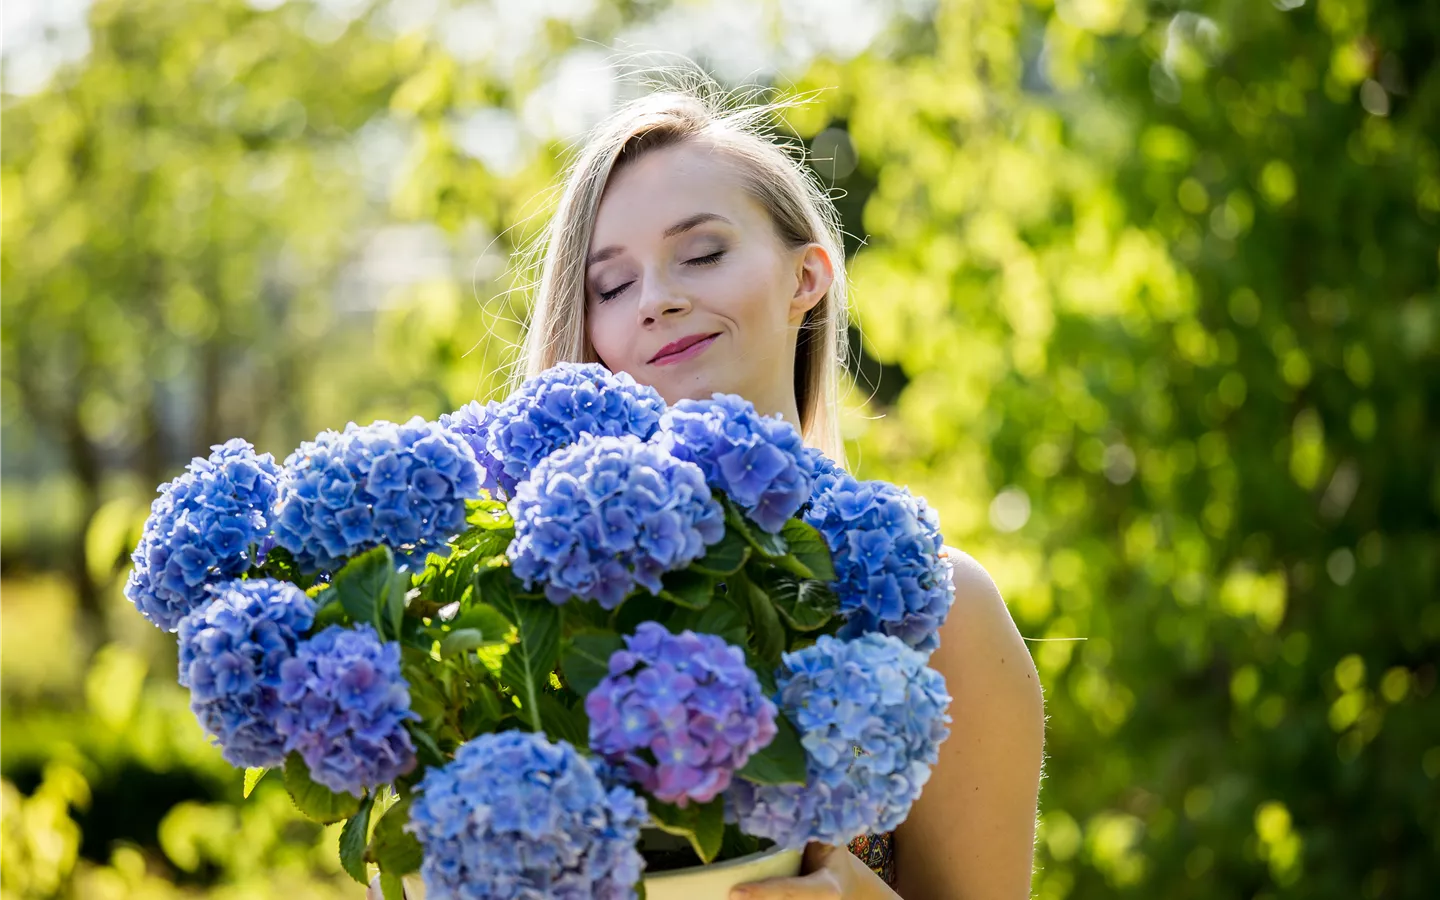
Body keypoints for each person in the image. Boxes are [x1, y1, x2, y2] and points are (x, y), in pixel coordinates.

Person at [521, 79, 1047, 899]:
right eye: (611, 286)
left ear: (807, 277)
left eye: (701, 254)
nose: (657, 298)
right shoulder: (518, 627)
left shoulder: (944, 618)